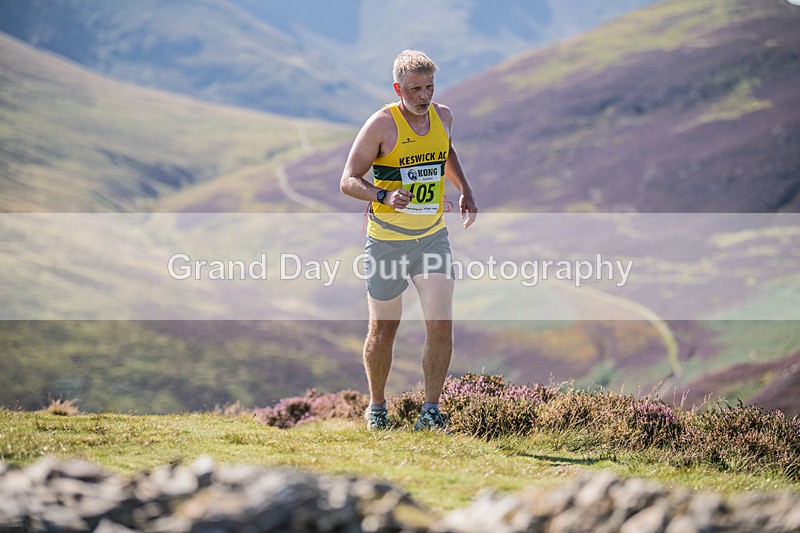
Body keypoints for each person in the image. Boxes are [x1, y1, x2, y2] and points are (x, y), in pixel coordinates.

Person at [340, 50, 478, 431]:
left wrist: (465, 189)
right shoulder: (381, 125)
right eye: (415, 89)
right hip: (387, 242)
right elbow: (348, 180)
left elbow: (445, 151)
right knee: (384, 329)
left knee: (441, 325)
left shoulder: (443, 117)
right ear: (398, 88)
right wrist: (383, 196)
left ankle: (430, 412)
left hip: (432, 239)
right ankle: (377, 409)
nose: (424, 96)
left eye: (429, 87)